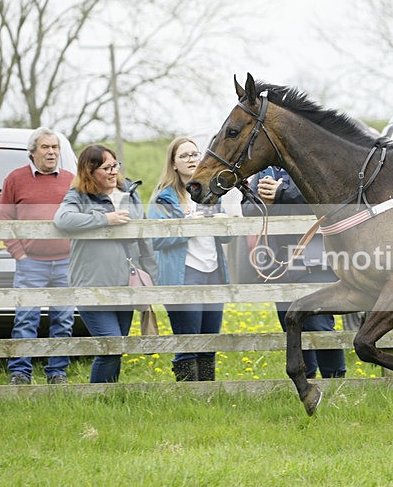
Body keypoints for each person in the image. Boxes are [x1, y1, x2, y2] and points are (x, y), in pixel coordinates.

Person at [54, 144, 157, 383]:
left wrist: (151, 277)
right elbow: (63, 219)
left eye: (114, 166)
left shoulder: (130, 192)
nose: (113, 172)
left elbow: (144, 239)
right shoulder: (78, 195)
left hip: (126, 282)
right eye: (106, 167)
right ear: (90, 172)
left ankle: (107, 396)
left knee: (117, 346)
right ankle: (97, 395)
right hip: (92, 285)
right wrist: (104, 219)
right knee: (110, 345)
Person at [243, 167, 346, 378]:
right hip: (279, 264)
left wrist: (282, 193)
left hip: (315, 261)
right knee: (290, 326)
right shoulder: (264, 173)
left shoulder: (309, 164)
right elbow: (247, 208)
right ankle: (304, 379)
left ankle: (335, 380)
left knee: (319, 325)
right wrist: (267, 202)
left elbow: (319, 201)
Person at [0, 127, 75, 385]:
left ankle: (57, 373)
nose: (51, 152)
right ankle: (20, 373)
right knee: (26, 319)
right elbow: (4, 219)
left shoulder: (70, 180)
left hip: (65, 263)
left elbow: (80, 217)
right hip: (30, 263)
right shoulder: (15, 179)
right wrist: (19, 254)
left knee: (63, 319)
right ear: (32, 152)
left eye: (55, 147)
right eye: (45, 147)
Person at [148, 137, 230, 381]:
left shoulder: (211, 192)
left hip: (213, 272)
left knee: (209, 340)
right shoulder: (164, 198)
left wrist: (223, 224)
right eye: (184, 155)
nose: (191, 159)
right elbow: (157, 240)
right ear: (173, 163)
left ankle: (207, 393)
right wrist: (187, 227)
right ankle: (188, 394)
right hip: (184, 273)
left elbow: (227, 239)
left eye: (195, 154)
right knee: (188, 340)